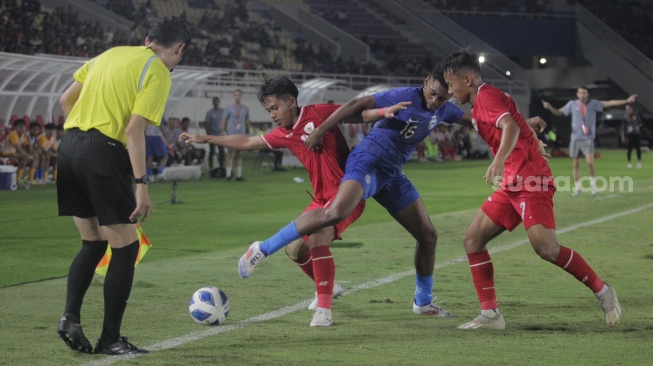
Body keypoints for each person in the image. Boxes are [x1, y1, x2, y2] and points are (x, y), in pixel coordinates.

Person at [238, 67, 482, 322]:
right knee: (334, 214)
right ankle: (263, 248)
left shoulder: (442, 108)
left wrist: (508, 123)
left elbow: (472, 120)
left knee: (428, 235)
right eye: (433, 94)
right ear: (426, 83)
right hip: (367, 160)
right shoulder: (406, 95)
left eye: (443, 98)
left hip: (390, 173)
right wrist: (321, 130)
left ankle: (423, 302)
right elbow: (356, 106)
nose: (435, 101)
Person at [179, 76, 399, 326]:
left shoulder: (317, 113)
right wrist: (206, 138)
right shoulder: (285, 133)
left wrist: (384, 111)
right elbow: (247, 142)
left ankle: (324, 310)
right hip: (320, 200)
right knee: (294, 249)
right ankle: (329, 286)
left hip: (347, 195)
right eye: (268, 110)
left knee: (316, 238)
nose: (272, 114)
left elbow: (357, 114)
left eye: (274, 107)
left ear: (291, 101)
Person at [441, 49, 621, 330]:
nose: (450, 92)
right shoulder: (483, 99)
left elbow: (509, 127)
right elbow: (511, 124)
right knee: (473, 241)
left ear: (467, 80)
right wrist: (529, 127)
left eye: (451, 85)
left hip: (530, 180)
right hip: (512, 183)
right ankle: (490, 315)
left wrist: (498, 160)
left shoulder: (485, 97)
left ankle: (603, 291)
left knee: (547, 249)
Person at [56, 15, 190, 355]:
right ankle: (110, 339)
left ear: (147, 38)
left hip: (69, 147)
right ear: (179, 49)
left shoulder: (110, 53)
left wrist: (84, 132)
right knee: (126, 247)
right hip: (103, 152)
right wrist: (142, 185)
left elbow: (65, 101)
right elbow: (133, 129)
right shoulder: (158, 70)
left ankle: (70, 318)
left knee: (93, 243)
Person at [542, 87, 637, 196]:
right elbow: (559, 112)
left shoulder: (593, 104)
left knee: (590, 162)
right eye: (581, 93)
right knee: (576, 164)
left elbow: (609, 103)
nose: (582, 95)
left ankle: (593, 185)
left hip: (588, 138)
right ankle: (577, 187)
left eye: (584, 93)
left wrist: (626, 101)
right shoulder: (572, 104)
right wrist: (550, 107)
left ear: (587, 94)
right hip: (575, 138)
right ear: (577, 94)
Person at [221, 89, 251, 181]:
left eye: (239, 95)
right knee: (230, 154)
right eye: (236, 95)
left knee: (239, 154)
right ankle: (228, 175)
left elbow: (247, 120)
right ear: (233, 96)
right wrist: (222, 132)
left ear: (241, 96)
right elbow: (224, 120)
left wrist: (248, 132)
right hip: (231, 134)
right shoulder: (229, 107)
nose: (237, 97)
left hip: (241, 134)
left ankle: (238, 176)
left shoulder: (245, 108)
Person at [1, 119, 34, 184]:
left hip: (14, 153)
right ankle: (18, 178)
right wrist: (27, 155)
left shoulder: (23, 136)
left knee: (34, 157)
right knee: (26, 157)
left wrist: (29, 139)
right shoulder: (13, 134)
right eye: (20, 127)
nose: (22, 129)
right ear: (15, 127)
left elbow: (30, 150)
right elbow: (19, 149)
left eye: (24, 127)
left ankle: (31, 178)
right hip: (5, 153)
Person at [204, 96, 225, 175]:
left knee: (222, 151)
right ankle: (211, 167)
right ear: (213, 103)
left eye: (217, 101)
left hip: (220, 136)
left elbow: (225, 121)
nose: (216, 103)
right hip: (212, 135)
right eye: (214, 102)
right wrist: (208, 133)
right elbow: (206, 123)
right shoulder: (209, 113)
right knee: (212, 151)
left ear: (219, 102)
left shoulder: (223, 111)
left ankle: (222, 166)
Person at [620, 105, 644, 169]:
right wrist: (623, 137)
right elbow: (623, 128)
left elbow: (641, 123)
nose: (629, 111)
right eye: (628, 110)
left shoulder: (636, 116)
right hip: (630, 134)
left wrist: (638, 126)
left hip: (637, 134)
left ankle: (639, 162)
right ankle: (629, 162)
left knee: (638, 148)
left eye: (630, 109)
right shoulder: (625, 118)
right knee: (629, 149)